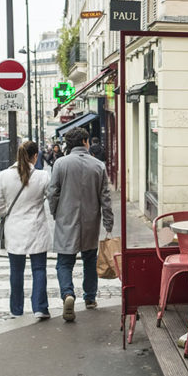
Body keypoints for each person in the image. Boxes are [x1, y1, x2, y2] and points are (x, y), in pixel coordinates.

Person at [48, 127, 113, 320]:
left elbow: (53, 193)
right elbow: (105, 198)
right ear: (85, 142)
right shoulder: (98, 165)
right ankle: (90, 298)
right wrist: (108, 223)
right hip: (90, 220)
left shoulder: (60, 164)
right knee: (90, 261)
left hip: (66, 218)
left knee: (64, 263)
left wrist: (55, 213)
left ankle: (68, 294)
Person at [0, 140, 52, 319]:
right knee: (39, 269)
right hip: (36, 227)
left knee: (16, 271)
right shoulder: (42, 176)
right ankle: (40, 308)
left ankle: (16, 309)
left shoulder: (4, 175)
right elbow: (51, 198)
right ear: (35, 156)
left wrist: (9, 213)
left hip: (14, 229)